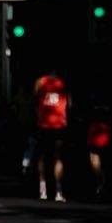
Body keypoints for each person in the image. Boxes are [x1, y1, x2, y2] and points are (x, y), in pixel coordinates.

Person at [34, 70, 70, 202]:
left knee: (42, 156)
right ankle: (58, 191)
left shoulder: (40, 82)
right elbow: (69, 104)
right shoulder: (64, 83)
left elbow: (35, 101)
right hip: (59, 125)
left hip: (43, 124)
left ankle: (42, 188)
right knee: (58, 156)